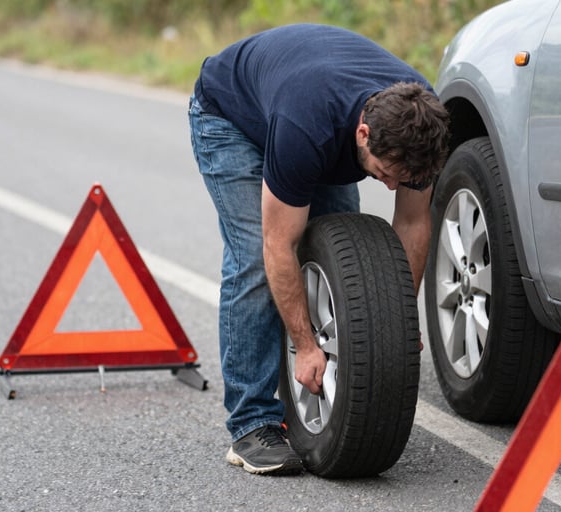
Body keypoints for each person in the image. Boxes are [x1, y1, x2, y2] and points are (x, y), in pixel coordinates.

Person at [188, 23, 450, 476]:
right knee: (254, 255)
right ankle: (252, 423)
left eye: (401, 179)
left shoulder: (421, 132)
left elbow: (411, 221)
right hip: (229, 118)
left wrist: (396, 321)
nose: (389, 185)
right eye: (384, 173)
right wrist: (306, 345)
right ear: (364, 135)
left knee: (339, 252)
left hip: (316, 108)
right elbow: (277, 245)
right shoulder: (304, 126)